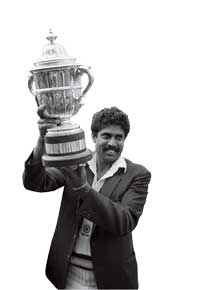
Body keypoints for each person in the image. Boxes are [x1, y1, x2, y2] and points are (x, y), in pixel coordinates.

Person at [23, 106, 151, 289]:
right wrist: (41, 142)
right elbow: (36, 183)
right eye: (106, 136)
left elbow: (125, 221)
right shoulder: (75, 161)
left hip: (111, 279)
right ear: (94, 137)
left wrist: (84, 189)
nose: (113, 143)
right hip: (68, 274)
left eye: (119, 137)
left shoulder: (138, 174)